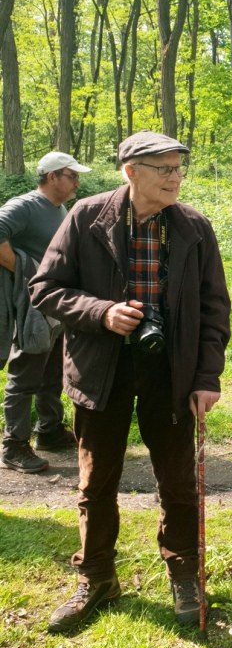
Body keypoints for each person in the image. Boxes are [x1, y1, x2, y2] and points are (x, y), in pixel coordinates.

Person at [30, 132, 231, 632]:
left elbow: (214, 309)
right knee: (96, 483)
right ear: (130, 171)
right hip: (102, 369)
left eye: (179, 167)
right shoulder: (85, 217)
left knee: (178, 481)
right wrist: (102, 312)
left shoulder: (193, 228)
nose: (175, 177)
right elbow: (45, 288)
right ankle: (97, 577)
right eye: (163, 168)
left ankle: (185, 573)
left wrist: (207, 376)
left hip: (172, 372)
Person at [0, 152, 90, 473]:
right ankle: (13, 447)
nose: (77, 182)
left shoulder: (59, 208)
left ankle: (48, 431)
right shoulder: (25, 205)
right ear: (52, 177)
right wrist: (26, 272)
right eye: (71, 176)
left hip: (54, 306)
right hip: (31, 309)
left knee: (52, 372)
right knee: (24, 375)